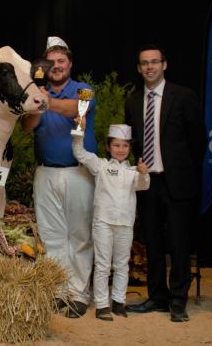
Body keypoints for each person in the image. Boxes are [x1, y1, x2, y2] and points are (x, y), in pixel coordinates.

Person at [124, 45, 205, 322]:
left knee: (180, 243)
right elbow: (133, 141)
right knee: (153, 244)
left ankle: (178, 300)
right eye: (144, 63)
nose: (149, 67)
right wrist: (139, 162)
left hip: (178, 184)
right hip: (148, 184)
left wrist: (182, 171)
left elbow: (197, 142)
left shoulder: (184, 96)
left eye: (154, 62)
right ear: (138, 68)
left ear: (164, 65)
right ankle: (157, 297)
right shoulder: (133, 101)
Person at [21, 36, 97, 318]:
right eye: (50, 62)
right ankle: (58, 290)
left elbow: (80, 109)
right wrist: (38, 101)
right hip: (46, 172)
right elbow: (27, 126)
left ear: (70, 64)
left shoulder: (84, 89)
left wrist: (46, 102)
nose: (56, 66)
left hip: (78, 172)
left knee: (79, 235)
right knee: (52, 236)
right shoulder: (38, 92)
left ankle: (78, 294)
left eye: (61, 61)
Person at [72, 123, 150, 321]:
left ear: (130, 148)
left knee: (122, 264)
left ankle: (118, 301)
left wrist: (142, 172)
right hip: (103, 222)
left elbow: (143, 186)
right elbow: (79, 152)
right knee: (103, 264)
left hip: (125, 224)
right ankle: (102, 304)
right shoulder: (101, 166)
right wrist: (80, 128)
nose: (120, 150)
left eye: (125, 146)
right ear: (108, 147)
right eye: (116, 145)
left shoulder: (133, 171)